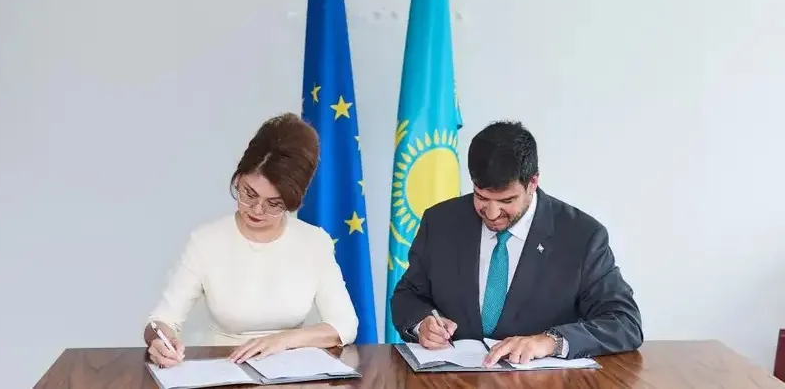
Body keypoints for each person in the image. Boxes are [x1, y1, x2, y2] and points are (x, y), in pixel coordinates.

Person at [390, 120, 642, 366]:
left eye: (506, 201)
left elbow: (624, 322)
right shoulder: (440, 222)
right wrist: (422, 323)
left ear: (533, 182)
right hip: (452, 381)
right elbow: (408, 295)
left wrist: (549, 342)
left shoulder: (582, 237)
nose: (491, 214)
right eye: (481, 197)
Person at [143, 113, 359, 368]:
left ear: (292, 201)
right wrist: (160, 340)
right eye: (249, 193)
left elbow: (345, 325)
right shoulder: (206, 241)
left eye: (274, 203)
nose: (257, 210)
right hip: (224, 369)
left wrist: (282, 340)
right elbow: (161, 320)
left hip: (290, 374)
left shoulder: (314, 243)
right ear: (239, 178)